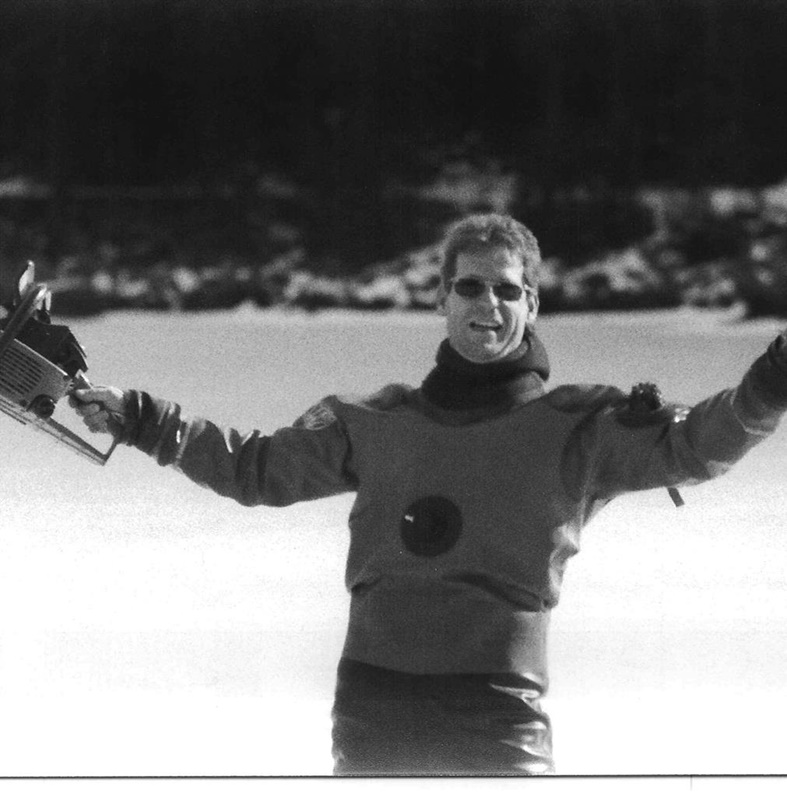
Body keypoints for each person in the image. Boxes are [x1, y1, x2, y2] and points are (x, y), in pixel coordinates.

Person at [71, 213, 787, 776]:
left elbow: (699, 443)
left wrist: (772, 379)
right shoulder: (373, 421)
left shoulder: (581, 426)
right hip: (373, 708)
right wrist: (141, 417)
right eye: (470, 287)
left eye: (507, 289)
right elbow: (252, 469)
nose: (488, 303)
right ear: (441, 297)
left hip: (497, 716)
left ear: (532, 304)